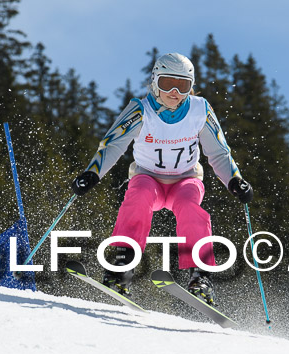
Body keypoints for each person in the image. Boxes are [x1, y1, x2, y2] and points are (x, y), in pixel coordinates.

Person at [71, 52, 253, 305]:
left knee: (191, 209)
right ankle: (122, 266)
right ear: (155, 81)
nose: (175, 91)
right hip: (148, 177)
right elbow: (112, 145)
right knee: (139, 196)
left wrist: (235, 180)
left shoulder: (200, 110)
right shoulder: (140, 110)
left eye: (184, 85)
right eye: (168, 83)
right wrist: (92, 174)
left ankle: (200, 276)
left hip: (185, 180)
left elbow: (219, 152)